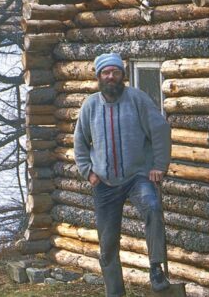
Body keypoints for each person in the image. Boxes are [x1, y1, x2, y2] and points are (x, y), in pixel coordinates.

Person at [73, 52, 172, 296]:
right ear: (98, 77)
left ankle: (156, 269)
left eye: (115, 72)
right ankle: (115, 292)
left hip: (137, 176)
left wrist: (158, 166)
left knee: (152, 208)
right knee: (107, 243)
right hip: (104, 183)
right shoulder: (90, 106)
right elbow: (79, 142)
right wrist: (88, 172)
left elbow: (160, 131)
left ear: (123, 75)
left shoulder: (137, 99)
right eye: (106, 73)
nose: (111, 77)